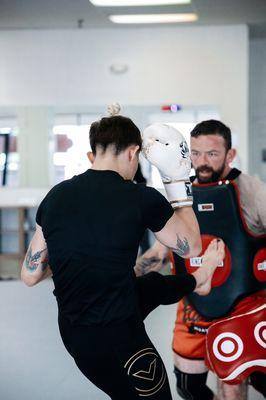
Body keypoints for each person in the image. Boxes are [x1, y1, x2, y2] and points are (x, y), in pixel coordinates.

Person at [21, 110, 225, 400]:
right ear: (133, 153)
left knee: (150, 285)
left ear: (96, 150)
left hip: (73, 334)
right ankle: (202, 277)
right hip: (117, 337)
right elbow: (191, 247)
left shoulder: (56, 196)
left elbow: (30, 276)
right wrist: (177, 181)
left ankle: (198, 280)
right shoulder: (140, 197)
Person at [139, 119, 266, 400]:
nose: (202, 162)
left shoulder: (253, 192)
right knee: (188, 387)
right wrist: (128, 275)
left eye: (212, 154)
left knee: (231, 384)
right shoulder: (179, 196)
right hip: (193, 306)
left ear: (230, 155)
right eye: (195, 153)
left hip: (243, 307)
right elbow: (162, 250)